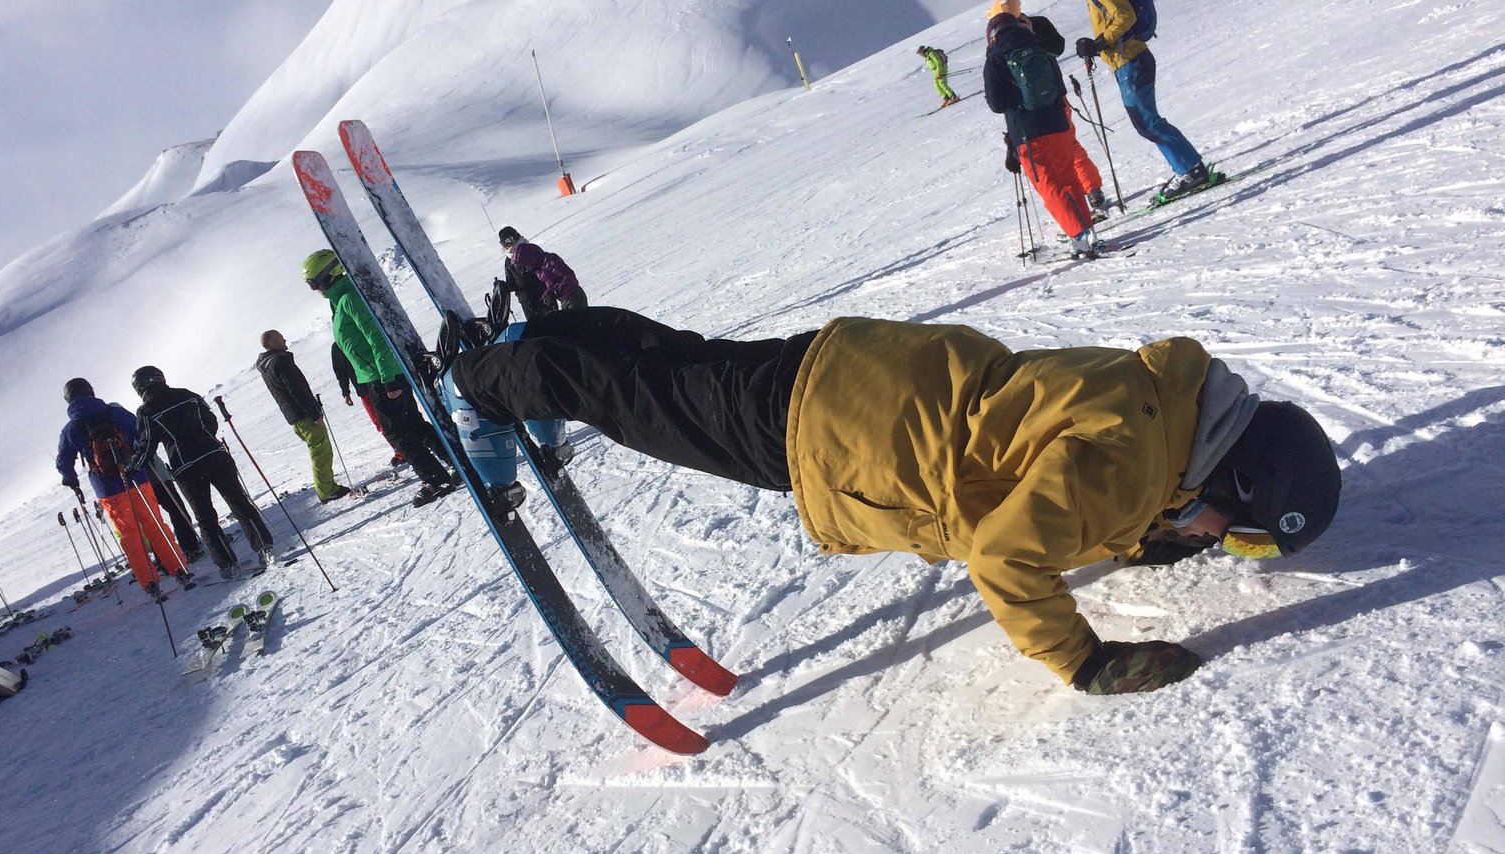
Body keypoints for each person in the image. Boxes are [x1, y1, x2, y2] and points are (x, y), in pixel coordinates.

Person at [450, 307, 1342, 695]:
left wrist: (1154, 527)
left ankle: (540, 339)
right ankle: (484, 390)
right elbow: (1005, 556)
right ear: (1236, 479)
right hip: (839, 432)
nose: (1223, 544)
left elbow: (1073, 465)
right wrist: (1086, 663)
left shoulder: (1161, 403)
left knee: (681, 364)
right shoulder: (1132, 466)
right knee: (646, 404)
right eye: (1243, 535)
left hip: (868, 369)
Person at [1050, 0, 1211, 200]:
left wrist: (1100, 42)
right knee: (1145, 122)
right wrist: (1096, 47)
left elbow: (1125, 16)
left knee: (1147, 121)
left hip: (1132, 61)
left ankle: (1190, 170)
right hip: (1127, 61)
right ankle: (1188, 168)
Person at [303, 249, 460, 507]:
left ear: (328, 275)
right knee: (413, 425)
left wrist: (387, 379)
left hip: (383, 376)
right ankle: (456, 462)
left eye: (314, 283)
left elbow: (378, 338)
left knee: (398, 433)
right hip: (378, 375)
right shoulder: (341, 298)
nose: (315, 289)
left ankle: (436, 478)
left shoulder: (349, 298)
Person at [129, 366, 277, 579]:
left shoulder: (146, 410)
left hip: (186, 468)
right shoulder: (187, 395)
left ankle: (227, 565)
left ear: (139, 387)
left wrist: (134, 465)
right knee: (239, 502)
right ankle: (265, 547)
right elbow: (211, 422)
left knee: (206, 518)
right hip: (215, 455)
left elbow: (148, 444)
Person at [56, 378, 190, 600]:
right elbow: (141, 433)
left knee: (130, 536)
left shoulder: (71, 429)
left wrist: (71, 481)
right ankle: (179, 569)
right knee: (155, 525)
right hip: (136, 477)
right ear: (91, 392)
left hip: (108, 489)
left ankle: (150, 583)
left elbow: (63, 461)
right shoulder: (113, 413)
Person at [984, 9, 1100, 258]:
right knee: (1068, 176)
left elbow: (996, 103)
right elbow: (1057, 86)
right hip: (1058, 123)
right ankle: (1088, 230)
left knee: (1048, 184)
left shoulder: (995, 57)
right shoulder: (1038, 45)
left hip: (1027, 131)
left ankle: (1078, 237)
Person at [257, 330, 353, 504]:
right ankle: (326, 490)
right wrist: (315, 413)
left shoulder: (267, 365)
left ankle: (326, 486)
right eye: (280, 338)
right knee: (320, 450)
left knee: (319, 449)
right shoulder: (279, 362)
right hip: (303, 414)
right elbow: (297, 390)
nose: (285, 339)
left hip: (295, 416)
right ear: (271, 342)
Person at [332, 342, 405, 468]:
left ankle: (408, 445)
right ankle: (399, 449)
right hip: (364, 390)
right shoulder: (337, 347)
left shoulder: (359, 336)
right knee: (379, 422)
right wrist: (346, 392)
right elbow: (340, 371)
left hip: (378, 383)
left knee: (393, 415)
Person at [497, 227, 587, 321]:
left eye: (508, 240)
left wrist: (552, 293)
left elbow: (567, 277)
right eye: (503, 243)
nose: (525, 269)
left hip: (549, 296)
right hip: (528, 300)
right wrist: (502, 286)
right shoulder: (510, 261)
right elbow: (551, 282)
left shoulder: (532, 253)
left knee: (570, 323)